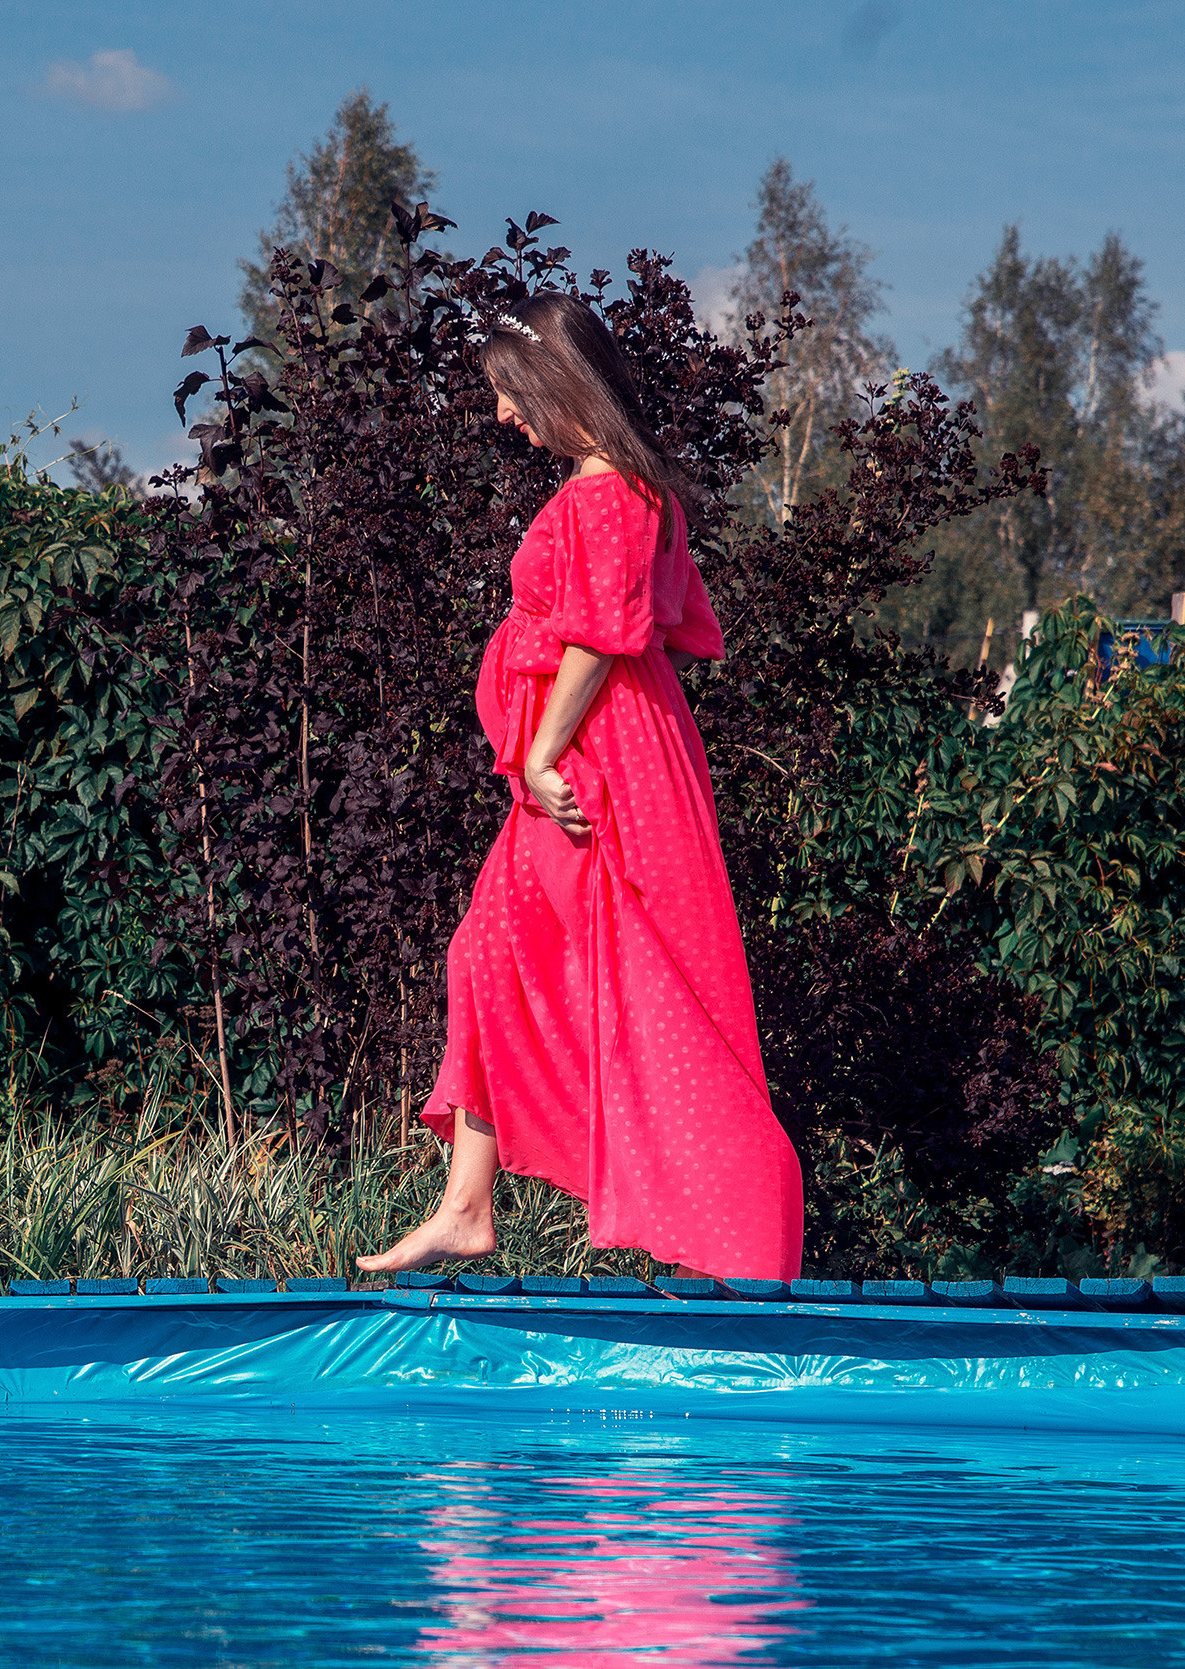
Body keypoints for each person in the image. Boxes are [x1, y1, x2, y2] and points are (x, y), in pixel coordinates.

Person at [358, 293, 804, 1281]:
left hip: (590, 764)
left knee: (647, 985)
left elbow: (604, 638)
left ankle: (747, 1229)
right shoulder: (614, 491)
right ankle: (467, 1206)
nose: (503, 416)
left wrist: (542, 755)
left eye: (513, 396)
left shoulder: (610, 493)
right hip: (578, 759)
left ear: (560, 384)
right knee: (487, 952)